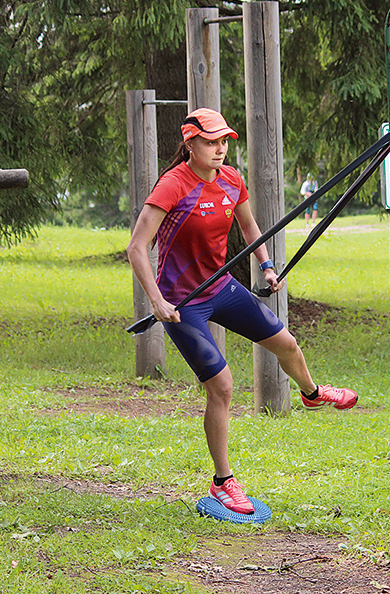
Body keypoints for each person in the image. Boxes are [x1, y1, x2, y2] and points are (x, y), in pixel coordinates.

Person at [126, 108, 357, 515]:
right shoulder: (173, 185)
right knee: (223, 387)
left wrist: (266, 265)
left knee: (287, 343)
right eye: (210, 142)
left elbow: (249, 228)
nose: (219, 149)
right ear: (189, 143)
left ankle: (312, 393)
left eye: (224, 142)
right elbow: (136, 247)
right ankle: (222, 482)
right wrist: (157, 302)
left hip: (220, 286)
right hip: (182, 301)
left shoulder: (231, 179)